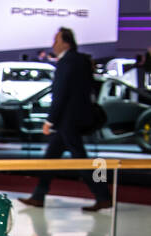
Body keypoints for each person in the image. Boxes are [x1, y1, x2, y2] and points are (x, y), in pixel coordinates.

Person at [21, 28, 111, 212]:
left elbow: (60, 94)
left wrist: (50, 120)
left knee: (81, 161)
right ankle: (39, 195)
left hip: (67, 121)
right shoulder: (82, 60)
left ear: (66, 43)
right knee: (50, 159)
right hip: (74, 119)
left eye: (56, 40)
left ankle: (103, 196)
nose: (53, 44)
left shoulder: (67, 62)